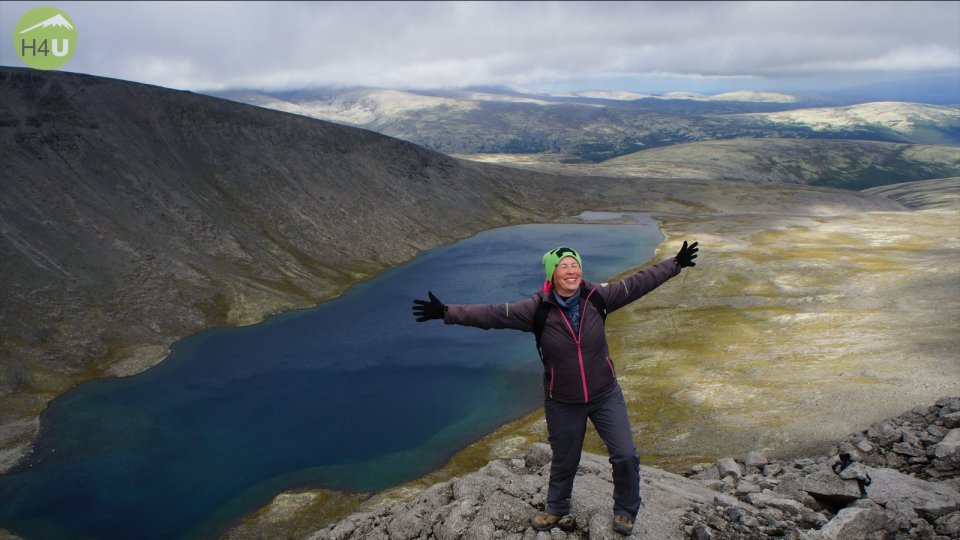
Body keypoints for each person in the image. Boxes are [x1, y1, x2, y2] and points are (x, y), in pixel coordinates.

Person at [412, 240, 699, 535]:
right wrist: (446, 312)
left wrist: (674, 264)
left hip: (604, 395)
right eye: (564, 267)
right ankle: (556, 508)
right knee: (564, 460)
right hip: (562, 401)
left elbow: (637, 284)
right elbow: (492, 314)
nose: (572, 271)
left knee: (625, 454)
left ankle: (625, 510)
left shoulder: (598, 297)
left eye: (575, 265)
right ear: (552, 274)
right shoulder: (536, 310)